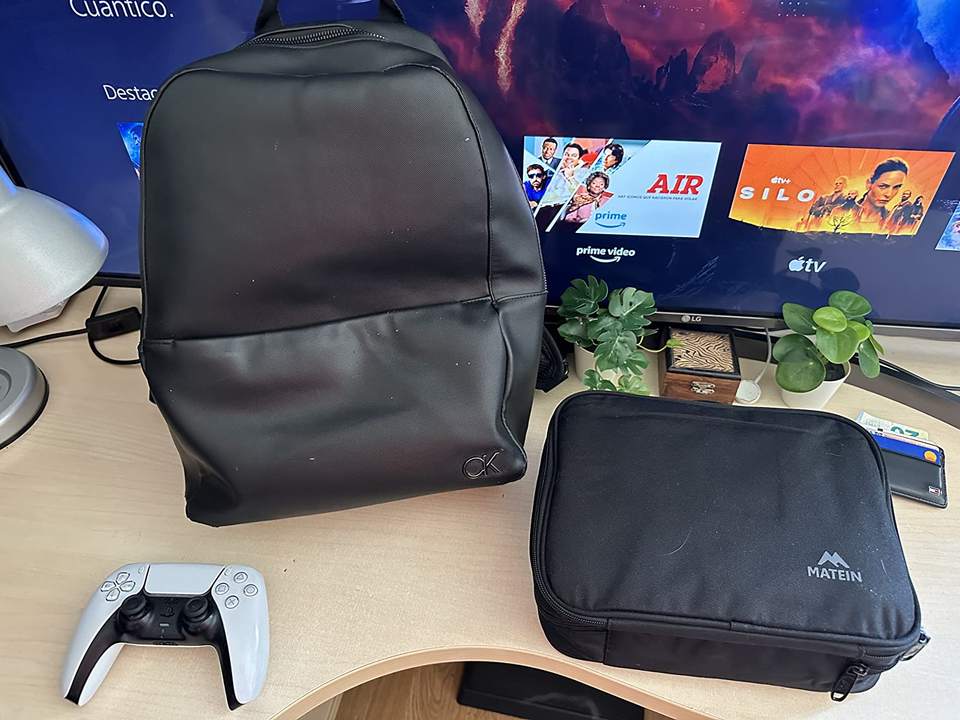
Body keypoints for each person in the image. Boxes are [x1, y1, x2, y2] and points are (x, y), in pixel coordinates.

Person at [855, 157, 909, 231]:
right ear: (869, 184)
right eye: (883, 186)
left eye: (896, 187)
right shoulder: (844, 210)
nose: (889, 194)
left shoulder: (891, 223)